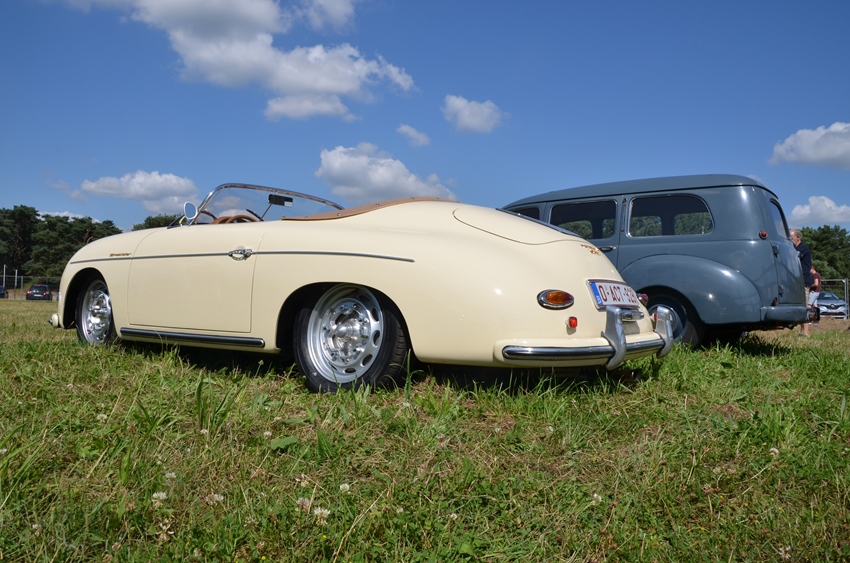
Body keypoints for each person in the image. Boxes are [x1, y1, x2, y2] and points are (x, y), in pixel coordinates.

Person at [790, 229, 814, 336]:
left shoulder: (802, 249)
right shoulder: (795, 249)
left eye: (791, 238)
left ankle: (806, 332)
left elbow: (794, 260)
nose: (790, 240)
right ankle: (802, 331)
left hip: (803, 281)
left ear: (798, 238)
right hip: (797, 281)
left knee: (805, 307)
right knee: (801, 306)